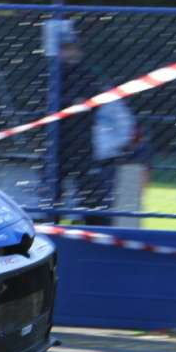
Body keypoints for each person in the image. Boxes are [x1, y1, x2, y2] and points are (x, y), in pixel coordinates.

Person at [56, 25, 114, 226]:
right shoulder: (53, 74)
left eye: (72, 48)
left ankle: (94, 225)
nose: (69, 53)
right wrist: (71, 102)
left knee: (89, 189)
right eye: (65, 48)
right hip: (58, 141)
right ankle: (51, 222)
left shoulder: (87, 74)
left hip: (82, 141)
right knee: (54, 188)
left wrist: (76, 103)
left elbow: (92, 101)